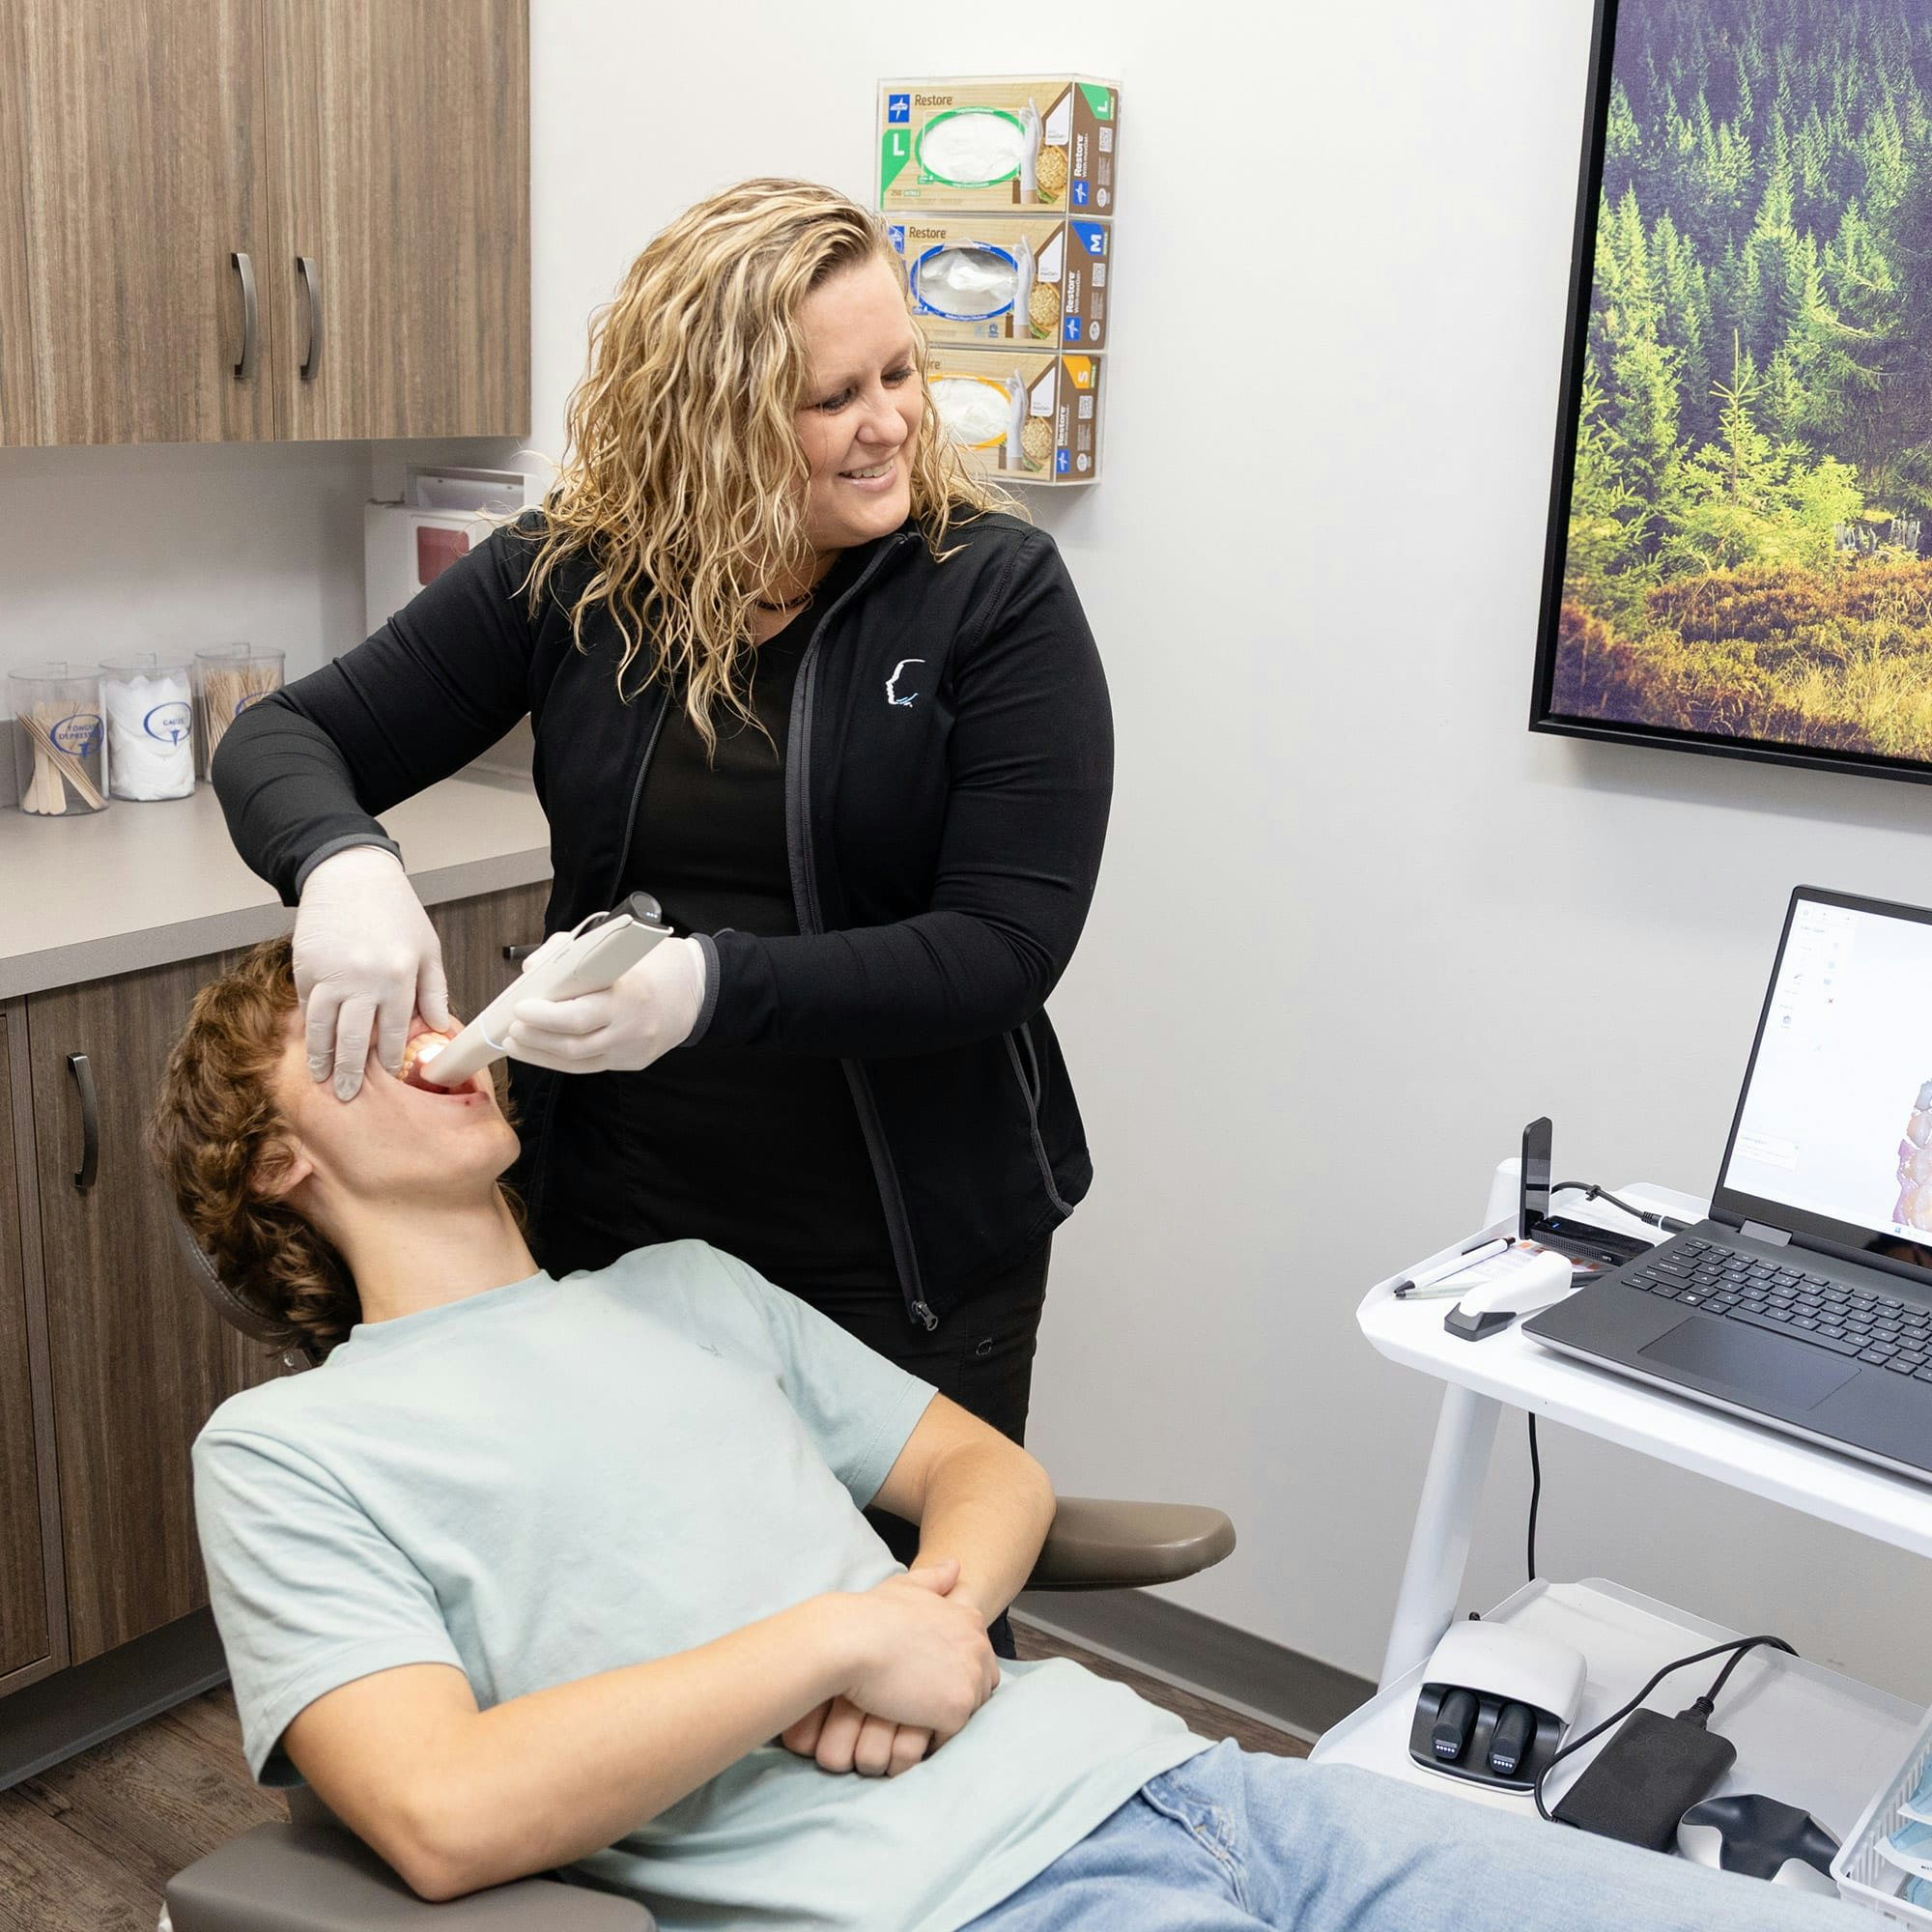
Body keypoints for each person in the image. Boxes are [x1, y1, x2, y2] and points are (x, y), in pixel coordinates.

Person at [152, 939, 1856, 1932]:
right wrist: (840, 1633)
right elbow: (440, 1812)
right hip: (969, 1905)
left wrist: (940, 1626)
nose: (437, 1035)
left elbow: (989, 1472)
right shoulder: (293, 1453)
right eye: (358, 1035)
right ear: (272, 1164)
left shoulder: (682, 1291)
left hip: (1204, 1787)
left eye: (429, 1003)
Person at [210, 182, 1109, 1646]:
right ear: (710, 413)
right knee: (656, 1625)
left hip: (899, 1241)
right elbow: (278, 741)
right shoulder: (578, 576)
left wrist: (708, 990)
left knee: (902, 1644)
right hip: (620, 1223)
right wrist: (342, 864)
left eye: (899, 374)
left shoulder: (987, 594)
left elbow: (1001, 950)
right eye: (832, 398)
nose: (889, 423)